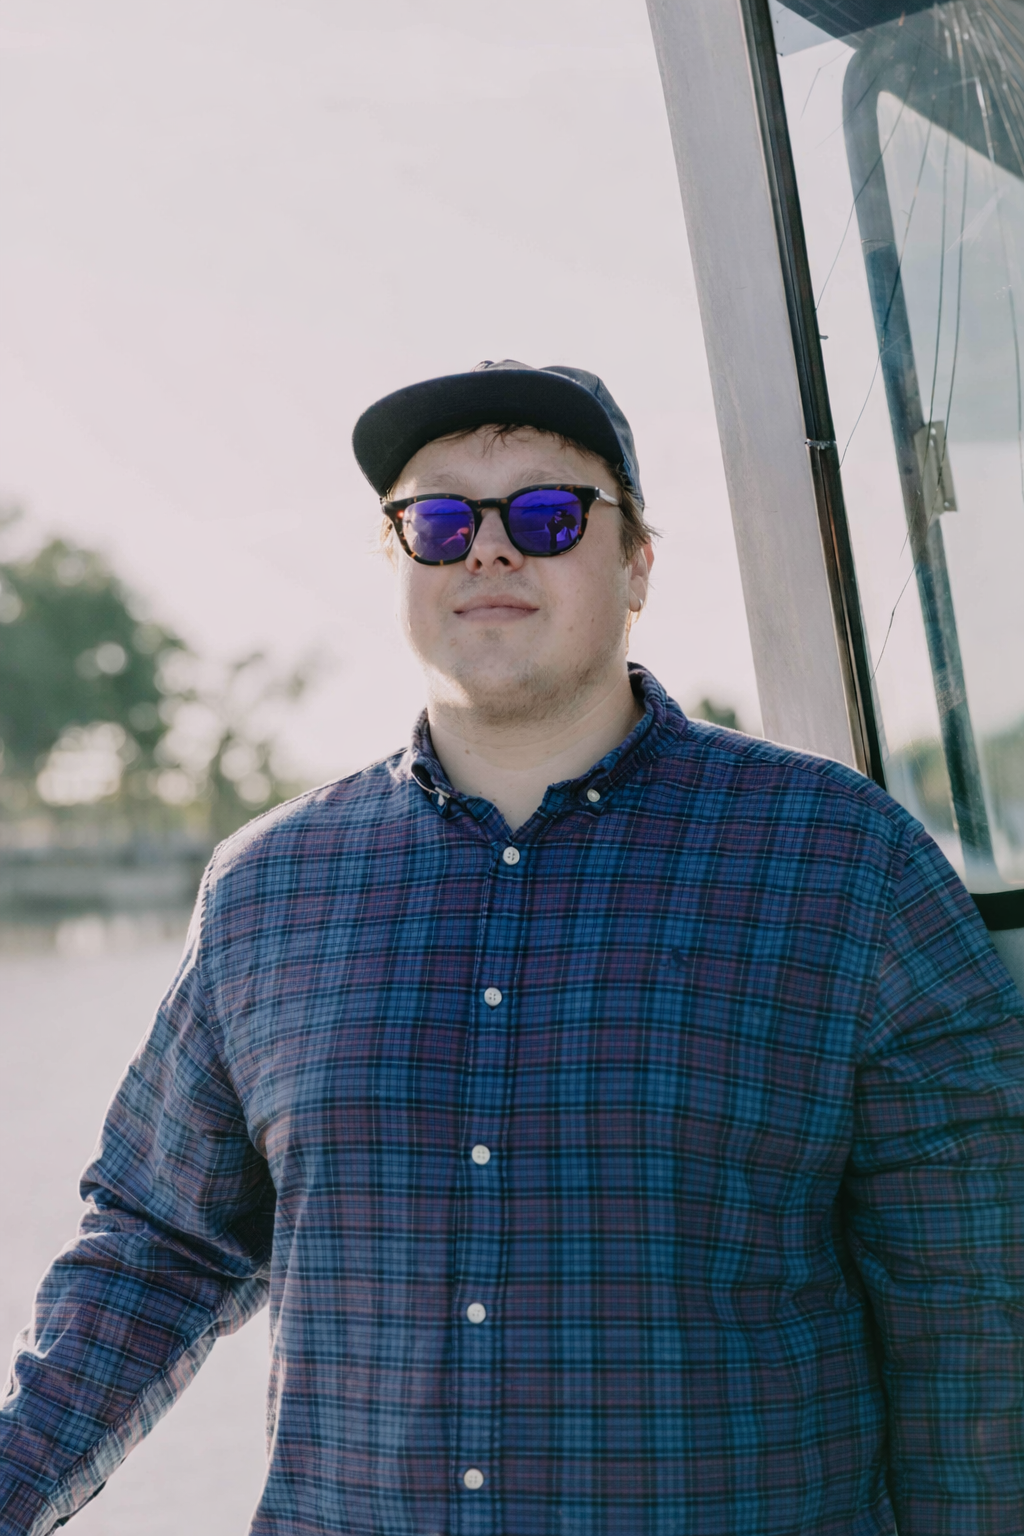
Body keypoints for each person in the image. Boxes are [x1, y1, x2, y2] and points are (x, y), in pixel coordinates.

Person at [1, 359, 1022, 1536]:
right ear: (397, 565)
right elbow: (155, 1248)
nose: (487, 551)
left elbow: (973, 1306)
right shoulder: (266, 889)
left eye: (546, 515)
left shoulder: (845, 862)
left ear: (636, 563)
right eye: (437, 521)